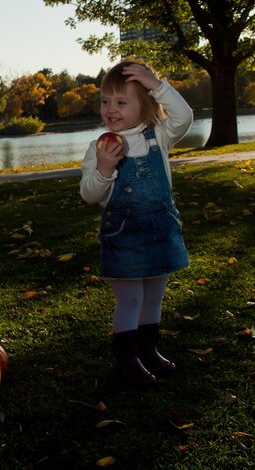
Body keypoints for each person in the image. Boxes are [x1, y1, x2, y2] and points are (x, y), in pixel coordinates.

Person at [80, 60, 193, 386]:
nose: (110, 109)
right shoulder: (100, 147)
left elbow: (184, 117)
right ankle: (127, 360)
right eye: (105, 101)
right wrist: (103, 169)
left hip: (160, 231)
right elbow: (89, 195)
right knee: (130, 299)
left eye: (121, 102)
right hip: (124, 236)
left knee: (154, 296)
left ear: (145, 104)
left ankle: (148, 350)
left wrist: (157, 84)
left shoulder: (160, 134)